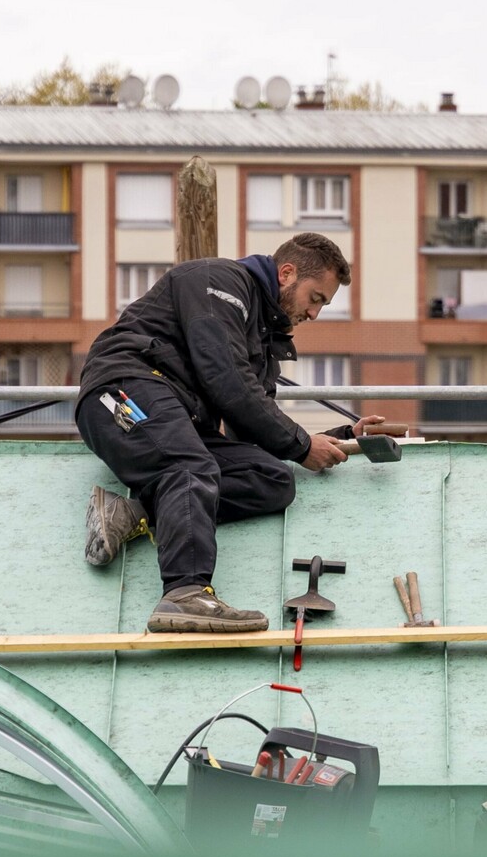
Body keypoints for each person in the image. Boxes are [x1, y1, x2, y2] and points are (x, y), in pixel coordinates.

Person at [75, 232, 391, 633]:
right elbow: (225, 377)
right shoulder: (219, 281)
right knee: (189, 467)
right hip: (124, 392)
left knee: (270, 479)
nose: (314, 315)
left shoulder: (262, 334)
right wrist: (300, 444)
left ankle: (131, 512)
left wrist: (339, 434)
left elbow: (253, 428)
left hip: (177, 419)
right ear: (287, 273)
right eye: (316, 299)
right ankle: (185, 593)